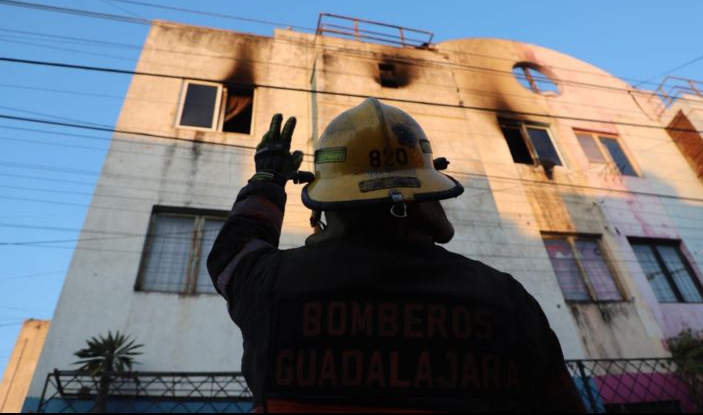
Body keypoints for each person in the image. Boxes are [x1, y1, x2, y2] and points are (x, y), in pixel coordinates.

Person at [208, 98, 585, 413]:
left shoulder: (271, 284)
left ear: (329, 201)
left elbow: (232, 257)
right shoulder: (504, 298)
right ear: (428, 192)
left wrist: (267, 181)